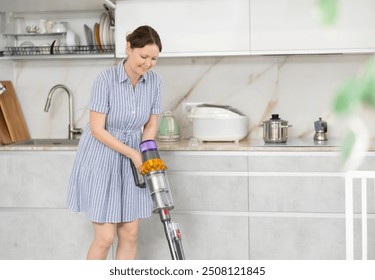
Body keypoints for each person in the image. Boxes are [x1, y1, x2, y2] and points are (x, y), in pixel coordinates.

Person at [66, 25, 163, 260]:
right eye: (144, 56)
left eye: (154, 58)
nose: (148, 63)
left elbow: (151, 125)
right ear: (128, 48)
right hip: (101, 160)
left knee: (130, 234)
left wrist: (146, 153)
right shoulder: (105, 80)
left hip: (133, 164)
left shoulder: (155, 83)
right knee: (105, 238)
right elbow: (97, 129)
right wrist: (133, 153)